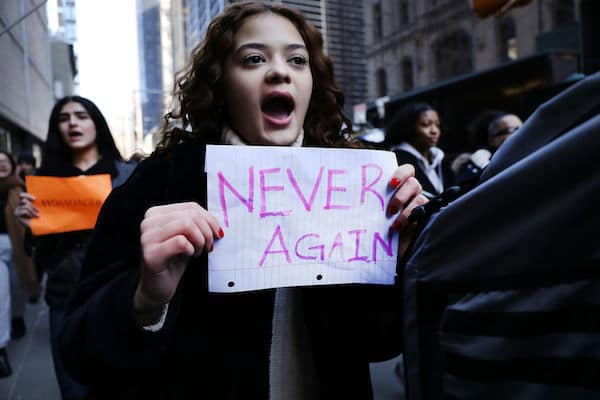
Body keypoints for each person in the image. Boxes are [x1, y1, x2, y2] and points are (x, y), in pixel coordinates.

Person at [57, 3, 428, 399]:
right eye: (253, 59)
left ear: (311, 84)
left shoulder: (360, 188)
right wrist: (145, 298)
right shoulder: (161, 182)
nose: (279, 71)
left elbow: (378, 343)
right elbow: (78, 351)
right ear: (221, 84)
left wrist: (399, 260)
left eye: (297, 60)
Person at [14, 95, 136, 399]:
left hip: (120, 291)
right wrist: (29, 227)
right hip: (65, 293)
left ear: (96, 122)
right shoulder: (44, 183)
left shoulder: (127, 176)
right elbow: (37, 252)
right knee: (73, 387)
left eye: (80, 116)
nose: (72, 123)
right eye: (64, 118)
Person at [386, 101, 455, 198]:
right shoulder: (397, 161)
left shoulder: (439, 159)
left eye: (437, 125)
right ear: (409, 127)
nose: (434, 131)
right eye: (426, 124)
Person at [0, 151, 26, 378]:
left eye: (4, 162)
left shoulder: (20, 187)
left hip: (17, 245)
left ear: (12, 165)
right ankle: (1, 348)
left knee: (17, 289)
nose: (1, 165)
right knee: (2, 293)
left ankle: (18, 316)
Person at [455, 111, 522, 186]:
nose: (521, 132)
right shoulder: (480, 161)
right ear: (492, 140)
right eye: (512, 130)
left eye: (523, 127)